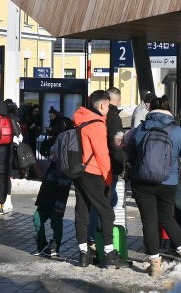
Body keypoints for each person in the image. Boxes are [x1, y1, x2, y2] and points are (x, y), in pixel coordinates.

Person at [124, 96, 181, 277]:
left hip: (142, 182)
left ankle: (155, 265)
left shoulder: (141, 128)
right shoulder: (176, 130)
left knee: (149, 222)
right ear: (168, 109)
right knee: (167, 218)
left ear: (151, 110)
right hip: (168, 182)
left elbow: (129, 152)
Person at [71, 90, 126, 268]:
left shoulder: (80, 119)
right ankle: (109, 253)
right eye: (108, 105)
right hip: (93, 173)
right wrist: (108, 180)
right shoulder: (96, 124)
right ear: (102, 105)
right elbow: (102, 155)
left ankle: (84, 254)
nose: (108, 109)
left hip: (79, 171)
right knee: (106, 212)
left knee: (82, 211)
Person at [32, 117, 74, 259]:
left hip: (60, 187)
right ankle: (41, 242)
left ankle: (55, 245)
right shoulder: (57, 140)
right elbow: (46, 150)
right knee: (37, 217)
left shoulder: (69, 144)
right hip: (47, 189)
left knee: (56, 220)